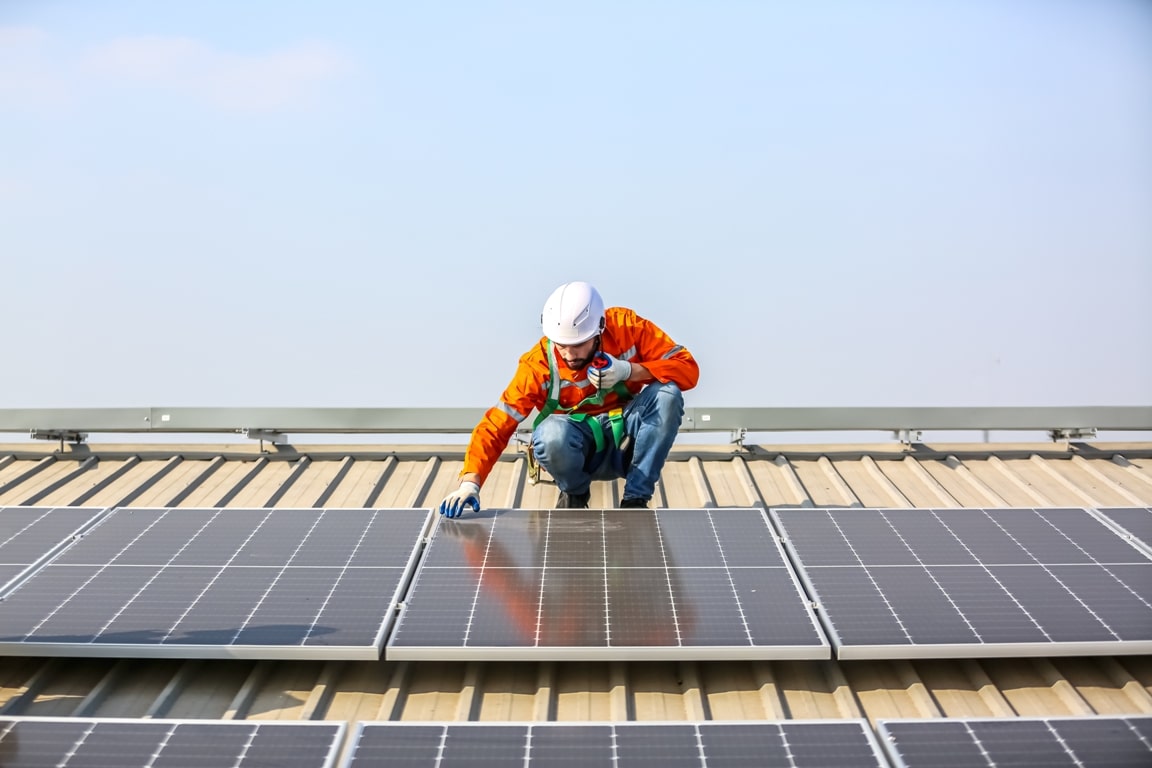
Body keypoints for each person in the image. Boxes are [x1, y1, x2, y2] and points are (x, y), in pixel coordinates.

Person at [437, 281, 699, 516]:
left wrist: (629, 371)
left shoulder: (628, 329)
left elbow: (688, 369)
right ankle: (574, 494)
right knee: (549, 433)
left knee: (667, 395)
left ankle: (635, 500)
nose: (569, 354)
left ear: (600, 328)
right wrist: (470, 482)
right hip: (575, 452)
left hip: (626, 444)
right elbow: (496, 425)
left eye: (579, 344)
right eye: (561, 344)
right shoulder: (537, 365)